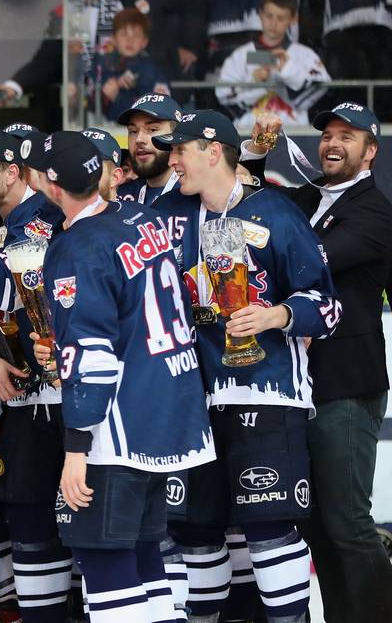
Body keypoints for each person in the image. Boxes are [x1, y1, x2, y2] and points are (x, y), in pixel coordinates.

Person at [151, 110, 340, 623]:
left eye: (180, 150)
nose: (172, 161)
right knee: (195, 531)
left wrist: (276, 313)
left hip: (267, 395)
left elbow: (327, 306)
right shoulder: (170, 217)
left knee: (267, 528)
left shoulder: (275, 213)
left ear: (213, 151)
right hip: (193, 403)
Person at [33, 131, 212, 622]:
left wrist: (75, 447)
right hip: (170, 409)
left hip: (117, 426)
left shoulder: (75, 246)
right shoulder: (144, 217)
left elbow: (92, 352)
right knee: (145, 553)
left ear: (52, 184)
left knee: (104, 558)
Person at [245, 101, 392, 621]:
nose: (333, 143)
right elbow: (255, 207)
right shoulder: (311, 196)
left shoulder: (374, 211)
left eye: (347, 137)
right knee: (320, 525)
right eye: (328, 134)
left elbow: (310, 260)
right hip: (301, 385)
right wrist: (256, 153)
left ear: (370, 151)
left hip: (345, 386)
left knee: (348, 522)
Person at [0, 128, 72, 623]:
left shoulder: (47, 220)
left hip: (61, 398)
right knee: (25, 524)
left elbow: (40, 304)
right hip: (16, 400)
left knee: (61, 530)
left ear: (12, 172)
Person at [217, 0, 330, 130]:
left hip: (294, 133)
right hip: (249, 131)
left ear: (293, 19)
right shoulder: (241, 55)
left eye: (281, 18)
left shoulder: (304, 54)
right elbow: (223, 95)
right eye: (269, 16)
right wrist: (255, 84)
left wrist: (288, 71)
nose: (273, 23)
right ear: (260, 14)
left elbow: (319, 90)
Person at [94, 7, 170, 119]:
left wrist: (117, 96)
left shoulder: (152, 71)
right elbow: (87, 106)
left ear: (144, 42)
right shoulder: (101, 66)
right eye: (124, 34)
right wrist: (103, 96)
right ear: (114, 39)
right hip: (106, 130)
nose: (130, 40)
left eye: (136, 35)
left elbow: (157, 111)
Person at [114, 93, 183, 206]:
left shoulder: (198, 196)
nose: (139, 139)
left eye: (152, 129)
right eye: (133, 131)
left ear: (177, 136)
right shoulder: (117, 198)